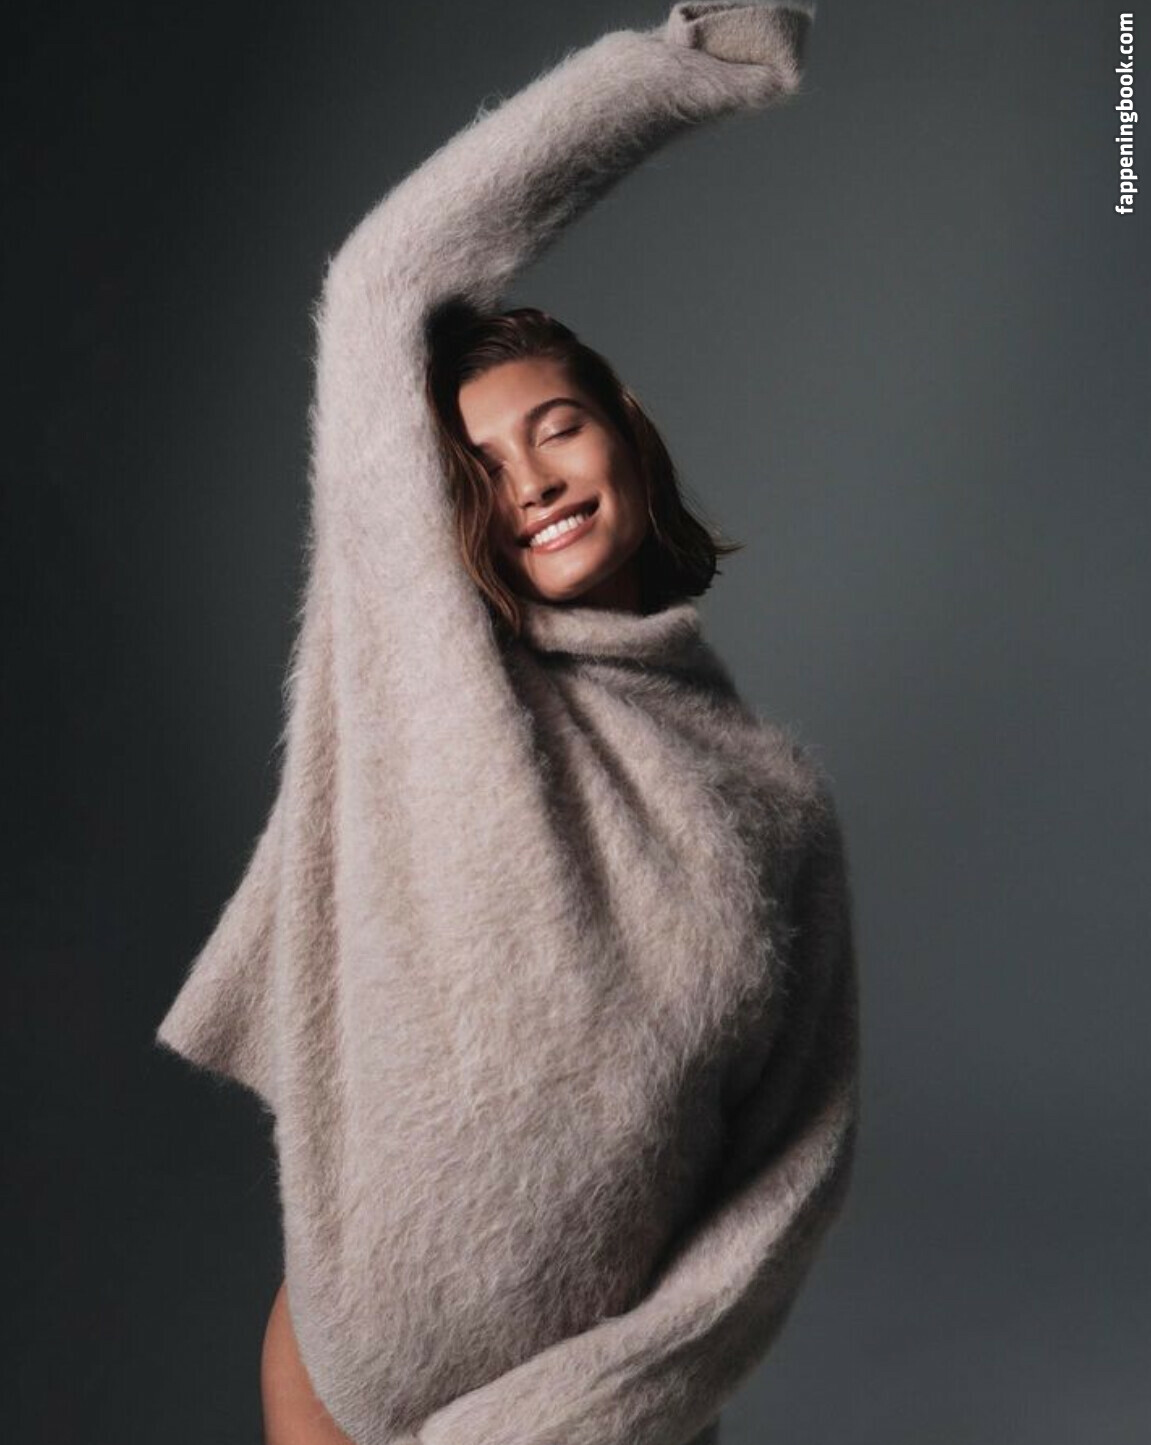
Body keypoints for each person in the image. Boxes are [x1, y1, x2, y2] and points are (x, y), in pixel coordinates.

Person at [156, 7, 860, 1445]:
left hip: (601, 1421)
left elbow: (785, 1182)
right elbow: (383, 280)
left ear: (626, 431)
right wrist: (690, 67)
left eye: (555, 425)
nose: (528, 478)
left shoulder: (774, 800)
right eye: (475, 465)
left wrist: (569, 1414)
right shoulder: (430, 671)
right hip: (343, 1377)